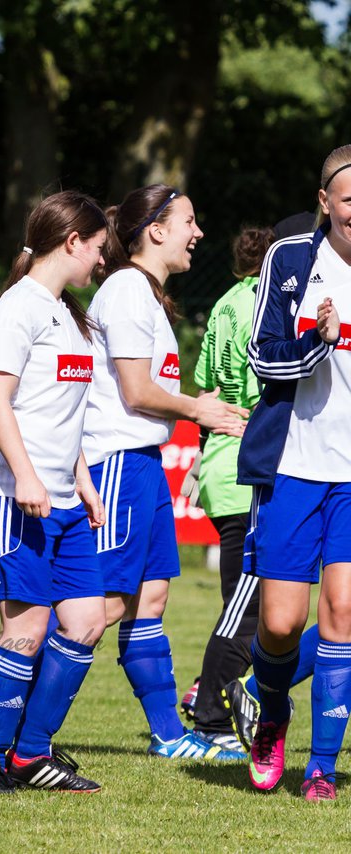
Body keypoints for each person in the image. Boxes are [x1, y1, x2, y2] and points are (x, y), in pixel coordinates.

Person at [82, 184, 247, 760]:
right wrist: (199, 408)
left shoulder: (147, 295)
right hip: (118, 465)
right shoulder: (127, 288)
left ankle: (171, 737)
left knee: (150, 599)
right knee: (101, 606)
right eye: (188, 222)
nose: (197, 233)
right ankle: (0, 693)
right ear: (154, 230)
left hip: (143, 465)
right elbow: (135, 389)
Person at [0, 191, 111, 796]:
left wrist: (81, 478)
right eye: (99, 248)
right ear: (72, 242)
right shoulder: (18, 308)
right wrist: (24, 474)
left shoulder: (70, 314)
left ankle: (30, 755)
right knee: (27, 629)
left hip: (64, 502)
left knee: (87, 621)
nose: (102, 260)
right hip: (5, 495)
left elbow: (61, 413)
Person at [239, 144, 351, 801]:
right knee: (281, 623)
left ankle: (322, 768)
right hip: (294, 467)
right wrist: (318, 342)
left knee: (343, 610)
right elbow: (262, 358)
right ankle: (271, 714)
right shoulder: (292, 259)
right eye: (349, 200)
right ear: (325, 203)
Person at [177, 226, 273, 749]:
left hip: (220, 465)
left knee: (243, 604)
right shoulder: (277, 304)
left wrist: (197, 461)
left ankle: (207, 693)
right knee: (247, 606)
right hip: (250, 472)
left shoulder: (222, 306)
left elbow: (208, 391)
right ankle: (210, 710)